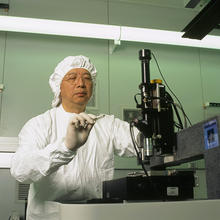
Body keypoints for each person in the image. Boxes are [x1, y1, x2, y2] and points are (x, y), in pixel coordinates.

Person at [10, 55, 138, 220]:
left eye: (87, 78)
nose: (81, 84)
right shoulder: (40, 124)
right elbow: (21, 170)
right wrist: (65, 148)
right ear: (58, 87)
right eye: (72, 78)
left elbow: (139, 142)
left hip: (95, 215)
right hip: (51, 217)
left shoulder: (106, 124)